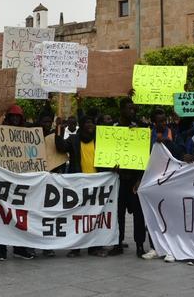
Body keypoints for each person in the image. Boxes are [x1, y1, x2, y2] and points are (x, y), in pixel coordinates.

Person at [55, 116, 104, 258]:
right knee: (78, 216)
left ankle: (94, 247)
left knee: (95, 217)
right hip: (79, 184)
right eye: (88, 122)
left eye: (92, 122)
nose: (91, 125)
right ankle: (76, 247)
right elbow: (61, 147)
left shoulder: (100, 138)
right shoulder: (74, 139)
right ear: (81, 125)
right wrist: (59, 130)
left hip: (98, 183)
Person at [0, 105, 35, 261]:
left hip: (20, 182)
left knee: (20, 215)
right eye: (12, 117)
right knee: (3, 215)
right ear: (8, 118)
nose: (15, 119)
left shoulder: (25, 134)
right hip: (3, 180)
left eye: (18, 117)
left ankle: (19, 248)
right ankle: (2, 248)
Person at [109, 97, 147, 257]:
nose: (132, 112)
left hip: (134, 179)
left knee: (139, 214)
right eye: (129, 109)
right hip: (119, 178)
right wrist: (111, 165)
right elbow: (108, 150)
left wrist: (139, 179)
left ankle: (139, 245)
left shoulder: (138, 128)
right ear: (122, 110)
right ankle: (118, 243)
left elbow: (143, 156)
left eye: (134, 109)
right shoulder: (113, 128)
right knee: (118, 213)